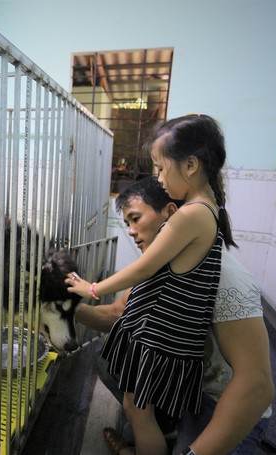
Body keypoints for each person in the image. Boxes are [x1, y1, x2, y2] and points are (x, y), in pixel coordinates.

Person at [66, 114, 236, 455]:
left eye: (160, 168)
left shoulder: (191, 215)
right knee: (134, 408)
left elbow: (144, 269)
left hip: (163, 344)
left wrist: (92, 289)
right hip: (165, 341)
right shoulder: (207, 210)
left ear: (190, 165)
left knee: (137, 412)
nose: (158, 178)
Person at [76, 176, 274, 454]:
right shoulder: (155, 265)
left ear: (172, 215)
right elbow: (116, 314)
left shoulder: (227, 279)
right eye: (127, 223)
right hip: (182, 380)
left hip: (217, 398)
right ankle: (164, 423)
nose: (131, 231)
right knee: (110, 361)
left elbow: (258, 386)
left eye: (135, 218)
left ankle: (165, 432)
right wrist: (69, 308)